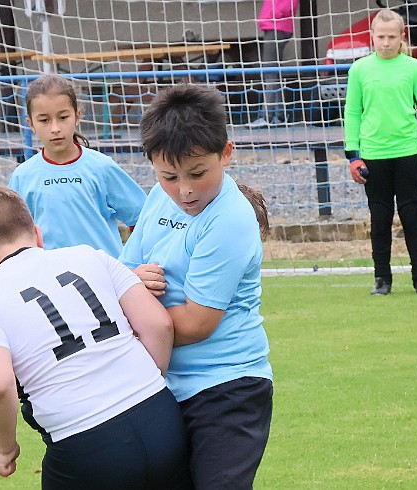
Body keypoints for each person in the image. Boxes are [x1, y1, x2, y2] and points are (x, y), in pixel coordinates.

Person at [0, 186, 192, 490]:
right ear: (37, 234)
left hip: (84, 444)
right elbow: (159, 325)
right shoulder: (89, 255)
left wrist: (5, 448)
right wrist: (147, 383)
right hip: (161, 419)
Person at [119, 84, 273, 490]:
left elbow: (195, 322)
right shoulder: (158, 197)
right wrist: (131, 283)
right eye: (169, 176)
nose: (184, 190)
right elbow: (122, 273)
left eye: (197, 174)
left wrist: (128, 320)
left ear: (226, 153)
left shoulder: (229, 219)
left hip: (227, 389)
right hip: (159, 384)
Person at [0, 73, 146, 300]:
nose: (55, 128)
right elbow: (7, 235)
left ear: (77, 117)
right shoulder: (24, 176)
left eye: (63, 117)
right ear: (31, 124)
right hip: (50, 290)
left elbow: (142, 220)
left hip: (106, 284)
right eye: (44, 120)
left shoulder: (101, 167)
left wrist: (136, 266)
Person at [344, 8, 417, 295]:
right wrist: (353, 155)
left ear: (401, 37)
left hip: (407, 152)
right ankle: (382, 279)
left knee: (412, 216)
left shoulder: (413, 68)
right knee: (379, 218)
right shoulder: (359, 69)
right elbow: (353, 113)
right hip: (373, 156)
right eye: (380, 36)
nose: (386, 42)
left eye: (391, 37)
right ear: (372, 37)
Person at [248, 0, 299, 128]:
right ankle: (280, 115)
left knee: (270, 72)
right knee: (273, 72)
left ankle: (267, 116)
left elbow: (288, 5)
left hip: (276, 26)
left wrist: (274, 14)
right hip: (275, 25)